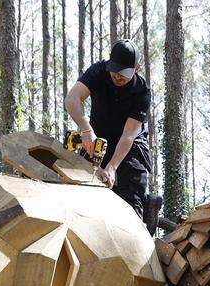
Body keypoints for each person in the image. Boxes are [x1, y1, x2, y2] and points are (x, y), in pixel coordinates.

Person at [64, 39, 153, 221]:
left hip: (129, 147)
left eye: (124, 73)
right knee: (83, 199)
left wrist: (111, 168)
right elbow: (72, 98)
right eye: (114, 70)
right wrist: (86, 129)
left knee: (130, 201)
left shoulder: (142, 92)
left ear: (137, 69)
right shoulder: (98, 71)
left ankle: (144, 213)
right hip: (97, 140)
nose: (117, 76)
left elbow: (128, 136)